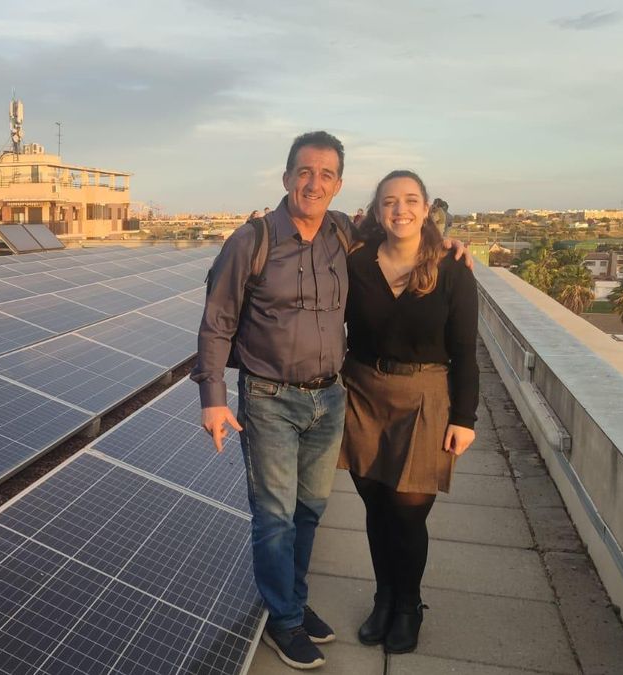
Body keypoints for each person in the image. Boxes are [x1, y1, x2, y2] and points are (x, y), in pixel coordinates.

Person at [193, 132, 472, 670]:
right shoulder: (251, 241)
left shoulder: (344, 234)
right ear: (286, 177)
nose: (313, 183)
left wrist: (448, 244)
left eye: (326, 175)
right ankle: (284, 620)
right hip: (270, 396)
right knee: (274, 516)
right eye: (304, 171)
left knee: (308, 513)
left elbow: (403, 224)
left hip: (330, 399)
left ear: (339, 185)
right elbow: (217, 322)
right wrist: (212, 397)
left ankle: (293, 603)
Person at [338, 170, 478, 655]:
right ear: (377, 211)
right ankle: (384, 598)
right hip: (363, 392)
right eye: (391, 202)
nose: (401, 209)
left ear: (426, 209)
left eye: (411, 200)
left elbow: (465, 351)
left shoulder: (452, 268)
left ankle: (409, 604)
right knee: (376, 507)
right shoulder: (356, 262)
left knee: (408, 513)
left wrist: (466, 418)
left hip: (426, 396)